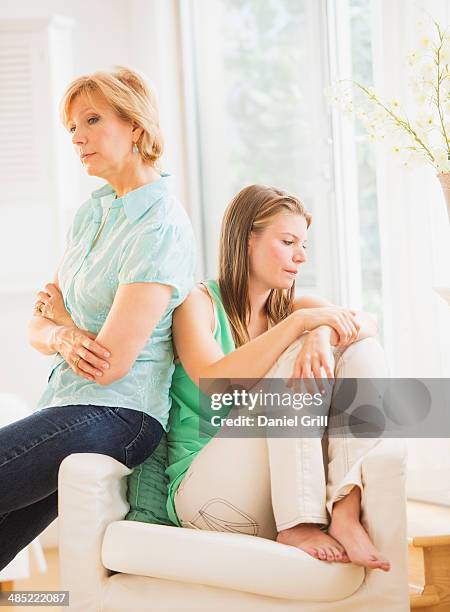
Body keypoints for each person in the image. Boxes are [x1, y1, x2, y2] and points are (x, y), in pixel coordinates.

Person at [0, 67, 195, 571]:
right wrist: (62, 333)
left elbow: (108, 365)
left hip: (121, 416)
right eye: (71, 128)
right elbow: (36, 327)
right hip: (67, 404)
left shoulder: (161, 225)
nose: (78, 138)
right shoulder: (93, 214)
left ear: (136, 126)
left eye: (91, 120)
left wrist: (61, 329)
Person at [166, 184, 394, 572]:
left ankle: (344, 507)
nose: (301, 257)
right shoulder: (197, 304)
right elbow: (215, 385)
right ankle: (300, 524)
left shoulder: (294, 309)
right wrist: (303, 326)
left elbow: (365, 324)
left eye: (303, 245)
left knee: (361, 347)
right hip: (206, 492)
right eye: (288, 241)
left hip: (274, 494)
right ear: (246, 240)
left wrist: (321, 332)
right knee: (296, 348)